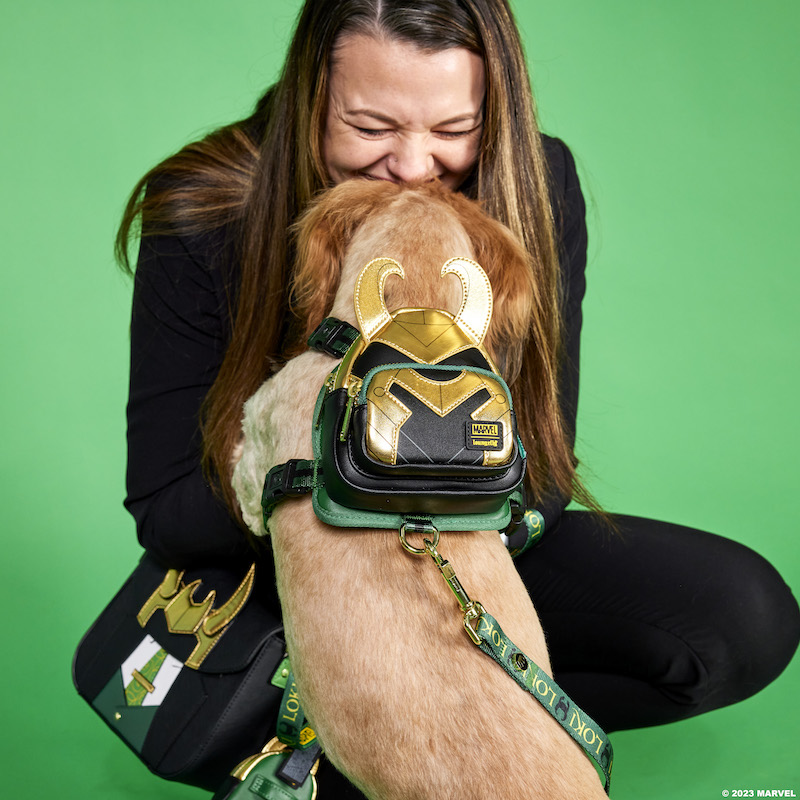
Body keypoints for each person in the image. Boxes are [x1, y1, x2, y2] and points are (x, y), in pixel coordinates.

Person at [118, 0, 799, 794]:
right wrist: (314, 444)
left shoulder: (535, 185)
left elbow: (540, 465)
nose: (413, 165)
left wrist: (440, 592)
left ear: (496, 109)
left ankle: (455, 753)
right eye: (370, 127)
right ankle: (345, 755)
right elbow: (166, 511)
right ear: (311, 94)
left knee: (740, 617)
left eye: (453, 131)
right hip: (284, 574)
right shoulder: (203, 208)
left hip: (471, 550)